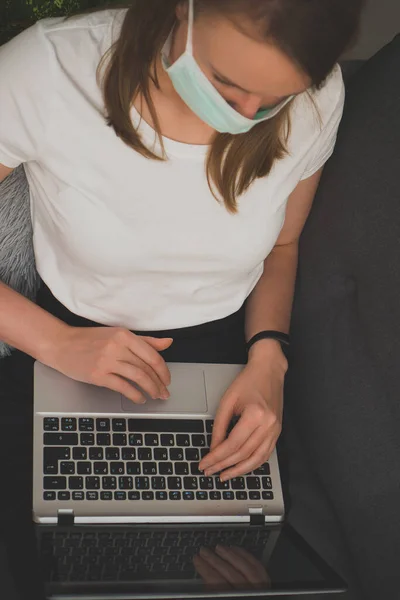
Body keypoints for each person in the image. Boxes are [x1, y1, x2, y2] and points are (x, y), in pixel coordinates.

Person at [0, 0, 365, 485]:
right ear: (182, 8)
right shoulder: (48, 69)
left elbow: (282, 247)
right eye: (225, 83)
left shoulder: (320, 96)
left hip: (231, 343)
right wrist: (56, 343)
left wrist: (269, 359)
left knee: (235, 530)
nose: (245, 116)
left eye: (277, 98)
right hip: (61, 332)